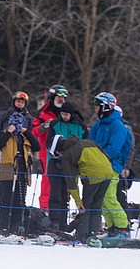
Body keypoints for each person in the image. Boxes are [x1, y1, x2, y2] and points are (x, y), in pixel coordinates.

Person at [52, 135, 130, 241]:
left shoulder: (67, 154)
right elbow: (105, 155)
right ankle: (94, 233)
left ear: (58, 149)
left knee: (86, 207)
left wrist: (78, 202)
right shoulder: (89, 142)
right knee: (97, 206)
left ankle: (82, 235)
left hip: (92, 176)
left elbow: (71, 181)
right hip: (108, 172)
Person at [0, 91, 39, 235]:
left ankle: (16, 225)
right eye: (18, 101)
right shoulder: (4, 116)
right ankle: (3, 226)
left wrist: (26, 132)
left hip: (23, 163)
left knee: (20, 197)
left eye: (22, 102)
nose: (20, 104)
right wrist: (9, 132)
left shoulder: (28, 121)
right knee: (5, 196)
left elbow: (36, 145)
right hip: (7, 162)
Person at [89, 92, 132, 216]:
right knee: (102, 199)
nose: (95, 108)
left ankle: (122, 226)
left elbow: (114, 148)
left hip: (112, 165)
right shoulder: (97, 125)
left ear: (106, 106)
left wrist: (99, 159)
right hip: (98, 166)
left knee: (109, 197)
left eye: (98, 105)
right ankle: (112, 228)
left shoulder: (118, 126)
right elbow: (90, 144)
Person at [44, 100, 86, 230]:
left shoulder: (80, 126)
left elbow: (84, 143)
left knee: (66, 193)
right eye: (62, 114)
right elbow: (48, 142)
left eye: (67, 114)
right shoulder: (55, 123)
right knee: (55, 192)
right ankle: (55, 221)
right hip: (55, 161)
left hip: (71, 163)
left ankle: (63, 221)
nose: (64, 117)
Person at [32, 85, 69, 211]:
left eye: (64, 97)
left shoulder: (68, 112)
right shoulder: (43, 113)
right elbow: (34, 131)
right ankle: (45, 207)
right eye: (59, 97)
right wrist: (44, 127)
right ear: (53, 97)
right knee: (47, 179)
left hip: (65, 150)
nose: (62, 100)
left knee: (66, 179)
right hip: (46, 150)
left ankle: (63, 207)